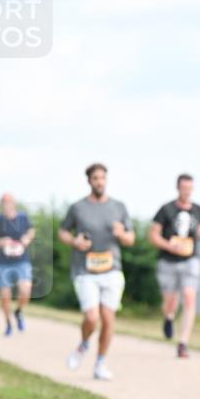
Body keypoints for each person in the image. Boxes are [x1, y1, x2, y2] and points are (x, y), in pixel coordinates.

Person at [58, 163, 135, 380]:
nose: (99, 182)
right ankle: (83, 345)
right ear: (89, 181)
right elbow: (62, 232)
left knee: (108, 319)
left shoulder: (118, 207)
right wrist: (74, 241)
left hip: (112, 269)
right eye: (95, 178)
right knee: (92, 318)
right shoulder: (78, 208)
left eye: (102, 178)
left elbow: (131, 239)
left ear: (106, 180)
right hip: (85, 269)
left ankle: (100, 363)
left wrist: (122, 234)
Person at [149, 173, 200, 358]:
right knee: (170, 301)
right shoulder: (166, 210)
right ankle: (168, 317)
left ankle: (183, 343)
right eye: (184, 188)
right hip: (168, 261)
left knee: (189, 297)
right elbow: (153, 235)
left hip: (190, 260)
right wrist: (170, 246)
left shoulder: (199, 210)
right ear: (178, 188)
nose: (187, 192)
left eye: (190, 189)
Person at [0, 194, 35, 335]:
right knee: (5, 296)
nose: (6, 205)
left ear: (14, 204)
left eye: (9, 202)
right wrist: (0, 242)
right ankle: (8, 324)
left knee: (25, 290)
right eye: (4, 203)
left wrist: (27, 238)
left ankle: (18, 311)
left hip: (22, 261)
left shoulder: (23, 217)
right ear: (1, 205)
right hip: (3, 263)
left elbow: (31, 230)